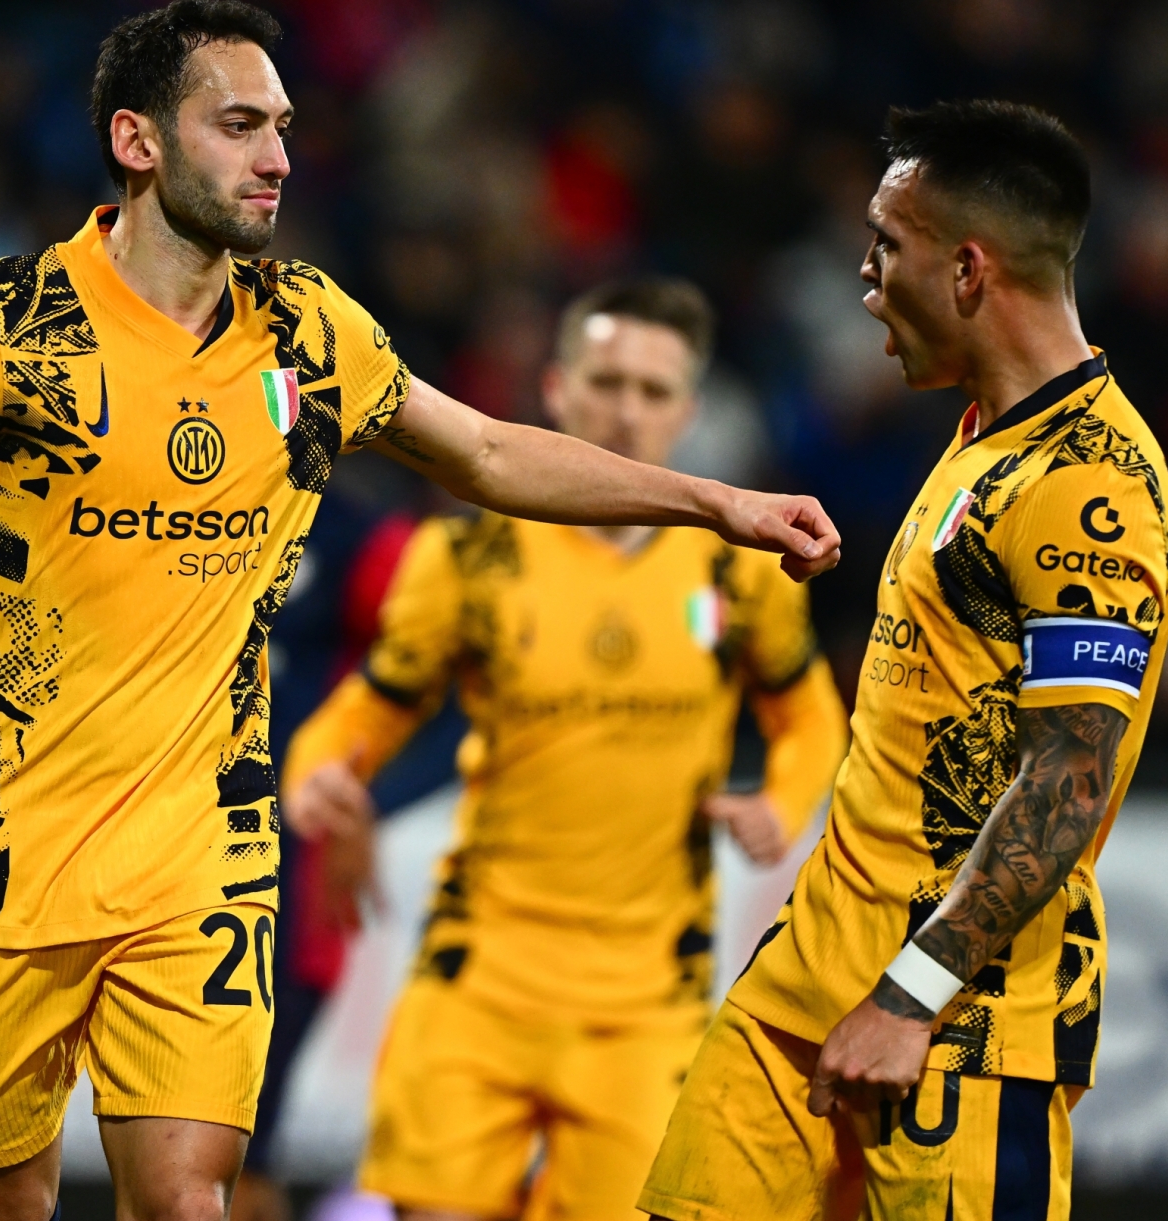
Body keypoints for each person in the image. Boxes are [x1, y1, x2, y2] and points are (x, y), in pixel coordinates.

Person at [0, 4, 840, 1220]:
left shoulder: (308, 330)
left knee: (189, 1202)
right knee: (4, 1208)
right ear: (139, 140)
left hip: (204, 860)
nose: (277, 157)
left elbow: (483, 452)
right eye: (237, 126)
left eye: (282, 127)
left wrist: (717, 502)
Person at [639, 100, 1168, 1221]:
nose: (866, 279)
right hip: (803, 987)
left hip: (957, 1032)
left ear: (969, 270)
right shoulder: (986, 431)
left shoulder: (1092, 485)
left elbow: (1070, 778)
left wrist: (911, 996)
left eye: (888, 248)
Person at [280, 277, 851, 1221]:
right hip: (479, 979)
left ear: (690, 410)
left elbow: (809, 718)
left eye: (654, 390)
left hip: (645, 999)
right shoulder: (465, 561)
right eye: (607, 380)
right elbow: (365, 713)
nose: (627, 409)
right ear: (556, 390)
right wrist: (319, 779)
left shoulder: (737, 573)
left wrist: (782, 803)